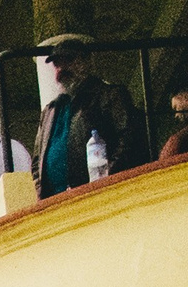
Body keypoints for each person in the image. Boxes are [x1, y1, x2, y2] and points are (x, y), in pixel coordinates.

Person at [32, 33, 144, 197]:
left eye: (69, 60)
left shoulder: (109, 95)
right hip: (55, 202)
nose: (61, 69)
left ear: (86, 62)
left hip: (97, 195)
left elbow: (129, 138)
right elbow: (36, 160)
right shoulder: (50, 110)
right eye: (57, 64)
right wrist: (41, 191)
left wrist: (105, 179)